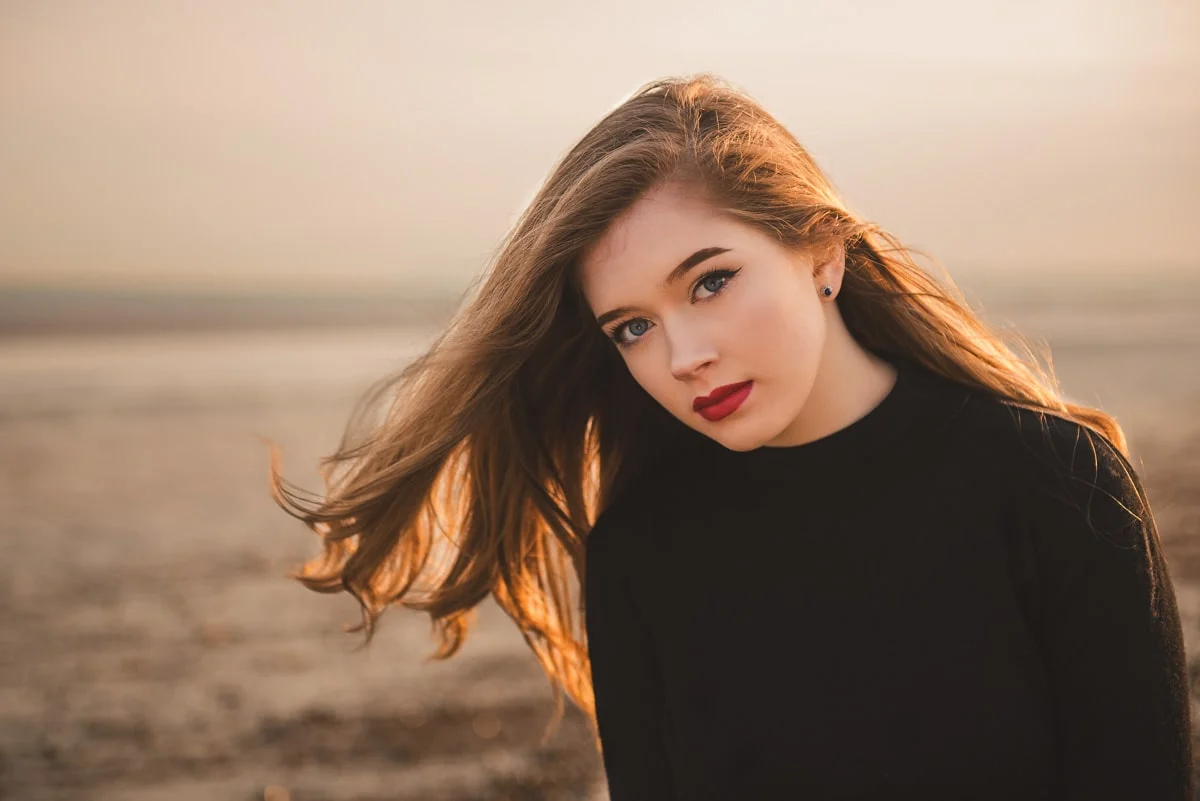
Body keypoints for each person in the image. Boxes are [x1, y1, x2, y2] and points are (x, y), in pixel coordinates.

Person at [268, 74, 1193, 799]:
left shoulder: (1055, 483)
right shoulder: (642, 551)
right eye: (632, 326)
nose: (684, 355)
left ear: (822, 252)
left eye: (709, 280)